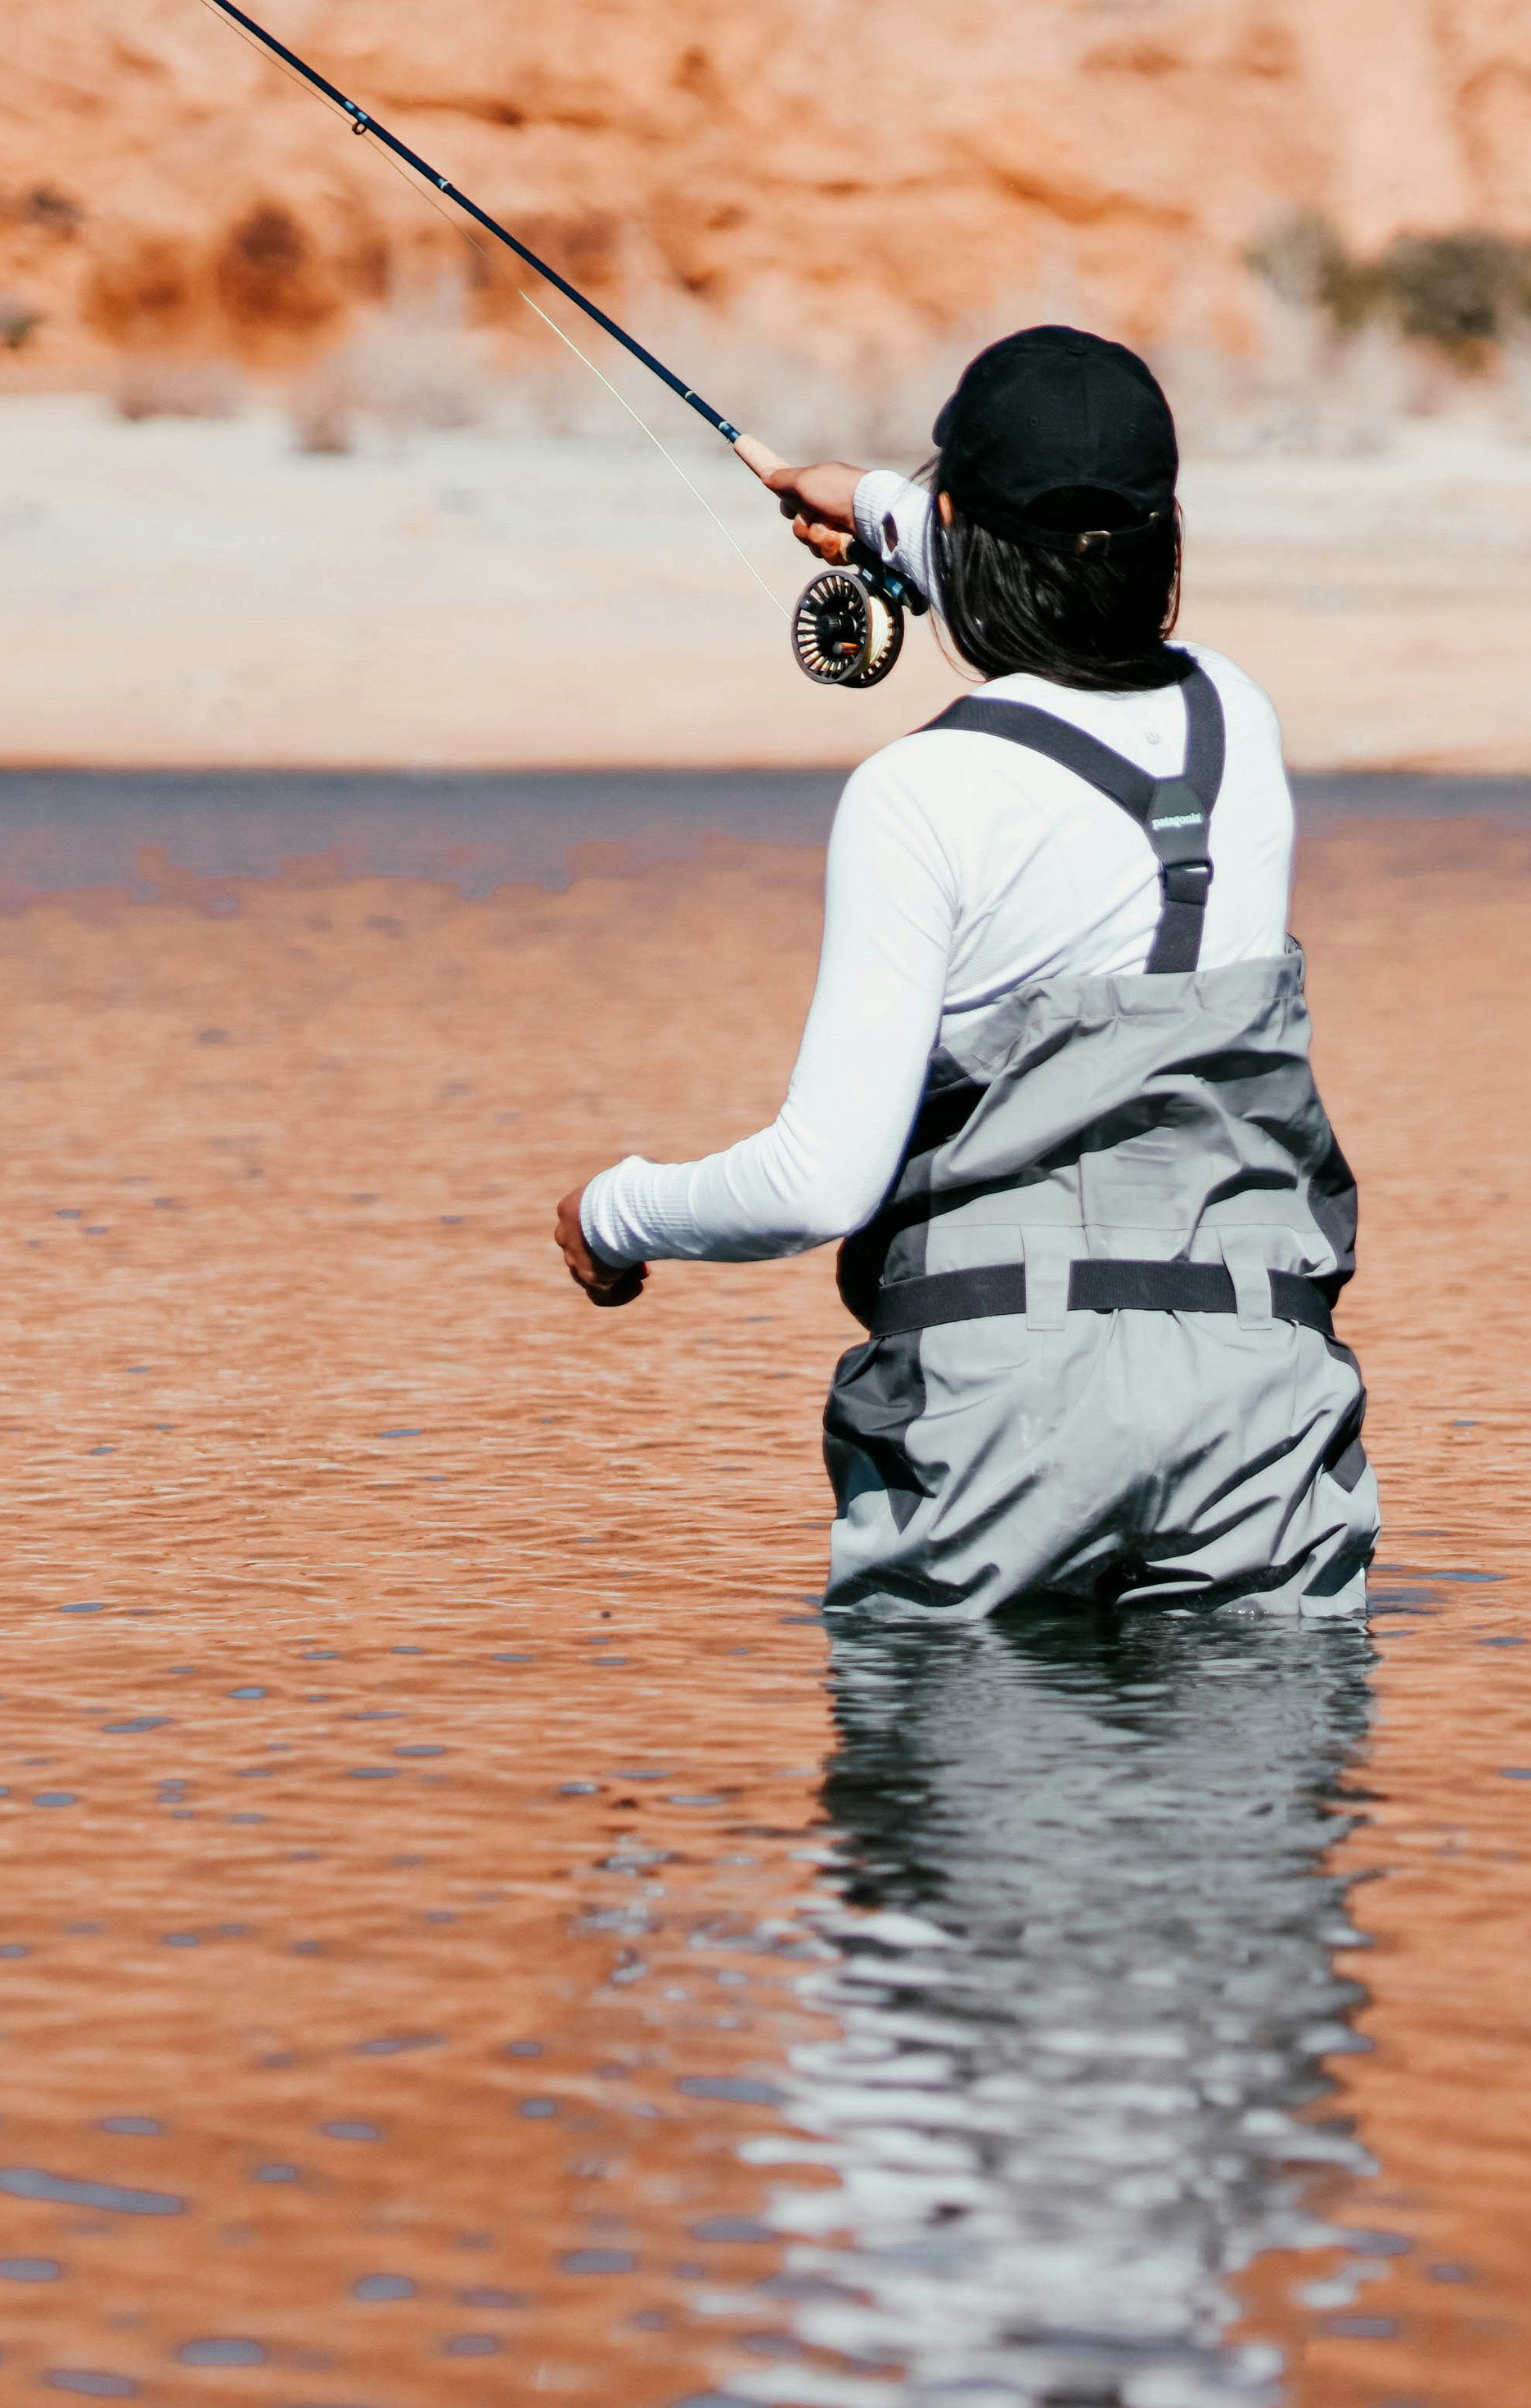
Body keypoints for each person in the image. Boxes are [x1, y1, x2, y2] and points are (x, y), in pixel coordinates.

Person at [550, 326, 1375, 1619]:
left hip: (999, 1429)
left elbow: (818, 1182)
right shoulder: (1239, 721)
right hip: (1256, 1407)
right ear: (1166, 540)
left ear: (957, 529)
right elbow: (1047, 569)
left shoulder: (919, 795)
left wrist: (616, 1213)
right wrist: (879, 506)